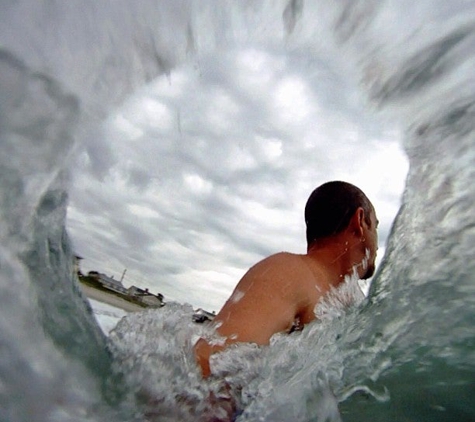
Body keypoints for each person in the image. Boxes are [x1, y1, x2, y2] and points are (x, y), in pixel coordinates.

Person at [194, 181, 379, 378]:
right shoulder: (291, 272)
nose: (377, 245)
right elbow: (211, 369)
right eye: (375, 226)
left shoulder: (355, 302)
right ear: (360, 221)